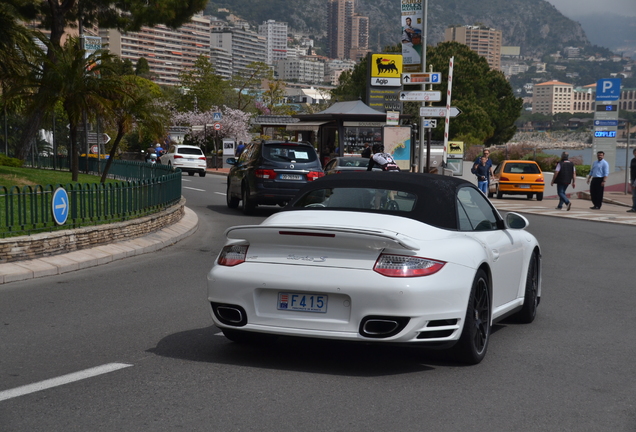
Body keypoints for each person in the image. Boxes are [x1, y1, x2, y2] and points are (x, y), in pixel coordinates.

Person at [628, 148, 636, 213]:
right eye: (635, 153)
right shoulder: (632, 160)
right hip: (633, 179)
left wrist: (635, 183)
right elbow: (631, 170)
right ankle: (634, 208)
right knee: (634, 195)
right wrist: (631, 180)